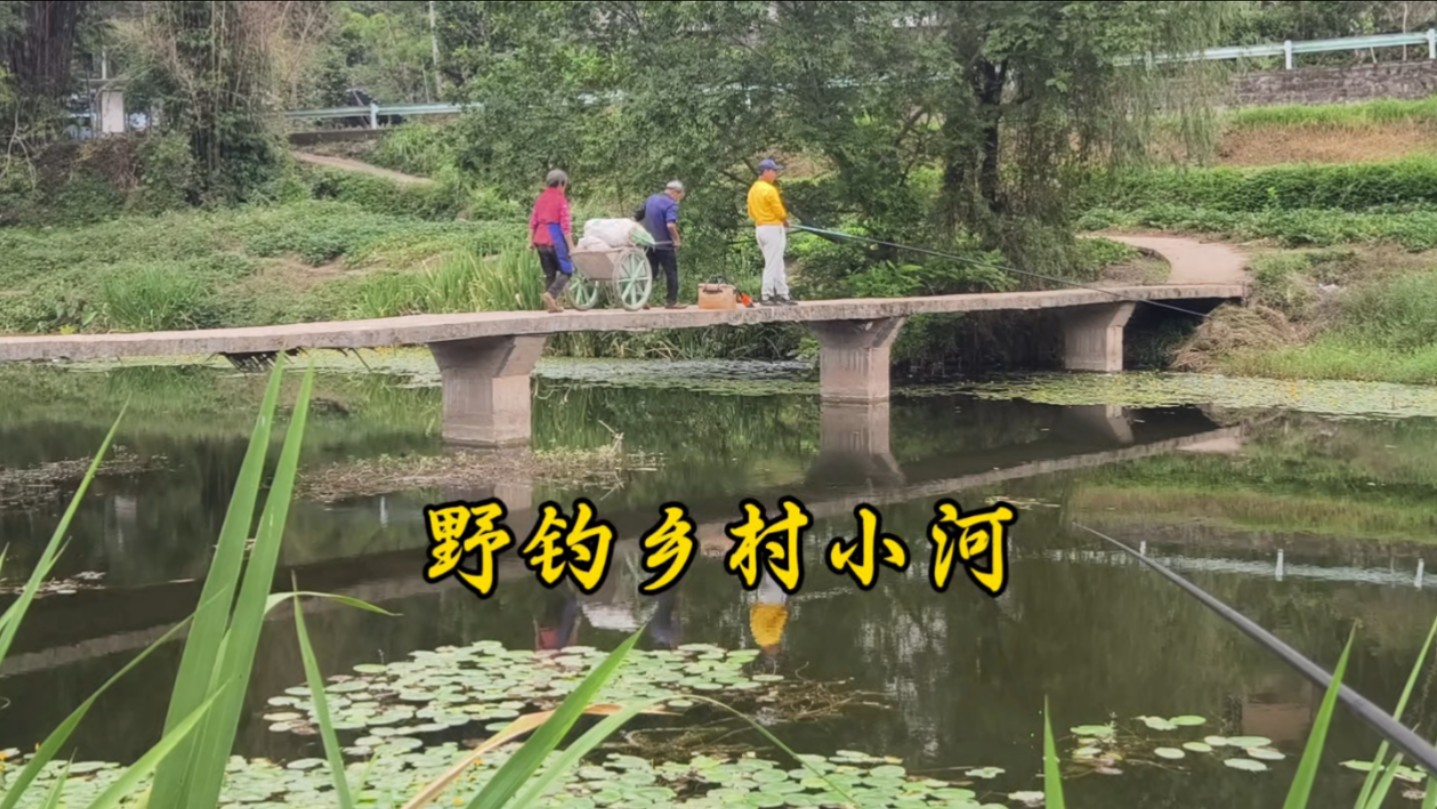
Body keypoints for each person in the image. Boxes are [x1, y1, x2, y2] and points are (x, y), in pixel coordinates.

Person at [746, 158, 795, 306]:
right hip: (773, 228)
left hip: (760, 228)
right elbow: (778, 210)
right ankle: (766, 295)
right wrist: (785, 221)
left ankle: (783, 294)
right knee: (773, 263)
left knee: (777, 262)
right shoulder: (769, 189)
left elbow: (750, 211)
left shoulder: (753, 189)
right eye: (774, 171)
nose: (775, 174)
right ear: (766, 171)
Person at [529, 169, 575, 314]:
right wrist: (571, 246)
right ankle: (551, 294)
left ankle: (551, 305)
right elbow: (565, 225)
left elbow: (533, 222)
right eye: (565, 185)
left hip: (540, 239)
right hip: (554, 237)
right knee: (567, 270)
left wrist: (530, 241)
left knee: (550, 273)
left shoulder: (540, 199)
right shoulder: (561, 200)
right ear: (561, 184)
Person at [639, 180, 688, 309]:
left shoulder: (651, 199)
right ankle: (672, 301)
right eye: (679, 196)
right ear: (675, 192)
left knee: (651, 272)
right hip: (665, 245)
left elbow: (638, 215)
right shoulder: (671, 204)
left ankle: (642, 299)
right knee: (671, 272)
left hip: (649, 243)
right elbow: (670, 225)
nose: (678, 199)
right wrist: (677, 239)